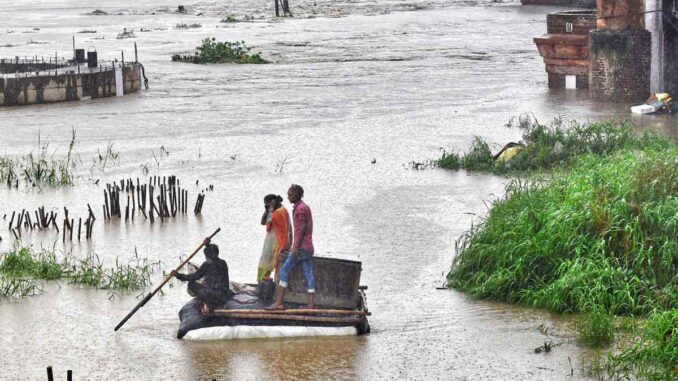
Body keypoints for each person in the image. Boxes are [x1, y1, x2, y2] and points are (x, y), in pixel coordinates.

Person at [267, 184, 315, 309]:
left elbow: (300, 231)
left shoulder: (299, 210)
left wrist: (294, 249)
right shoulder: (304, 207)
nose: (288, 197)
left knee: (284, 270)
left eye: (289, 194)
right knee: (308, 273)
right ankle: (310, 306)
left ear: (296, 195)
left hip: (301, 248)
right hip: (308, 247)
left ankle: (279, 303)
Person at [171, 238, 230, 312]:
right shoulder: (223, 263)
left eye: (206, 256)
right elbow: (212, 254)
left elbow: (194, 276)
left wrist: (178, 275)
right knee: (208, 289)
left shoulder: (207, 265)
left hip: (214, 296)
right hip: (224, 296)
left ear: (207, 256)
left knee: (191, 284)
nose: (206, 258)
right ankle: (208, 303)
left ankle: (207, 304)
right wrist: (207, 245)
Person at [257, 194, 292, 283]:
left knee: (265, 265)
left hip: (276, 244)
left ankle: (262, 284)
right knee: (269, 265)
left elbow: (268, 221)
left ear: (273, 203)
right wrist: (267, 210)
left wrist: (271, 209)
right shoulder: (280, 211)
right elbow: (262, 222)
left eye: (267, 204)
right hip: (278, 242)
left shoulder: (279, 212)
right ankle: (264, 283)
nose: (266, 206)